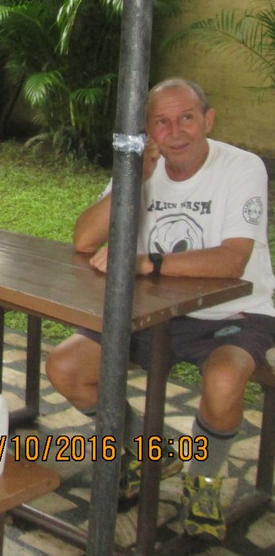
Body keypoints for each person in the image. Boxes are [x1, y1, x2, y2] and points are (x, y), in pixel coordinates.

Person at [46, 77, 275, 541]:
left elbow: (232, 260)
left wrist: (147, 263)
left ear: (208, 120)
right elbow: (84, 239)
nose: (175, 131)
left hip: (234, 313)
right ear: (148, 131)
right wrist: (135, 180)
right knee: (66, 367)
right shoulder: (142, 168)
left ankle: (203, 482)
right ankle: (156, 449)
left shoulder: (242, 167)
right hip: (153, 313)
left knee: (224, 380)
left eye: (186, 117)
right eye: (162, 122)